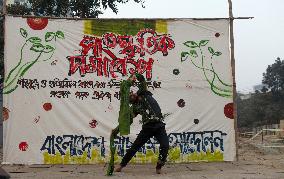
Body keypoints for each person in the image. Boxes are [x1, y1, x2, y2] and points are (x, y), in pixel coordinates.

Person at [115, 73, 169, 174]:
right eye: (131, 95)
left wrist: (134, 76)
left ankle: (159, 166)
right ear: (131, 100)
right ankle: (122, 165)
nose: (132, 94)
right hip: (147, 128)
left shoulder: (143, 93)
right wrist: (117, 129)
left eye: (132, 93)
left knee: (165, 145)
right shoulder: (134, 108)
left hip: (159, 125)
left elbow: (142, 80)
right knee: (135, 147)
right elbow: (128, 120)